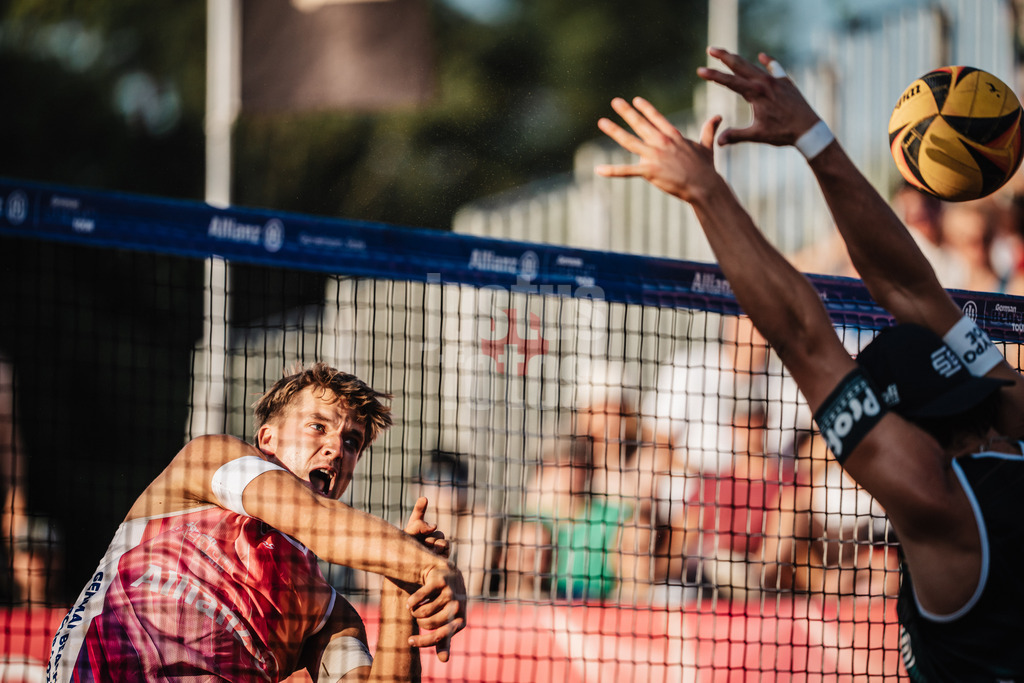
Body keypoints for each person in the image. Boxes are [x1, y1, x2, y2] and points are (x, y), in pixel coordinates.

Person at [596, 47, 1024, 681]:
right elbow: (909, 291)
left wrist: (706, 193)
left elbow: (804, 336)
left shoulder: (932, 499)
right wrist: (812, 137)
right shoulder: (1011, 408)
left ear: (900, 424)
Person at [47, 362, 466, 682]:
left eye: (351, 442)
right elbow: (315, 519)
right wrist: (426, 564)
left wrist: (401, 589)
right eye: (318, 427)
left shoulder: (328, 614)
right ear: (267, 439)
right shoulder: (209, 460)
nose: (336, 449)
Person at [414, 450, 501, 598]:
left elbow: (470, 593)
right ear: (417, 487)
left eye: (456, 477)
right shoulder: (407, 529)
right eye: (438, 476)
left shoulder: (479, 521)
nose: (449, 485)